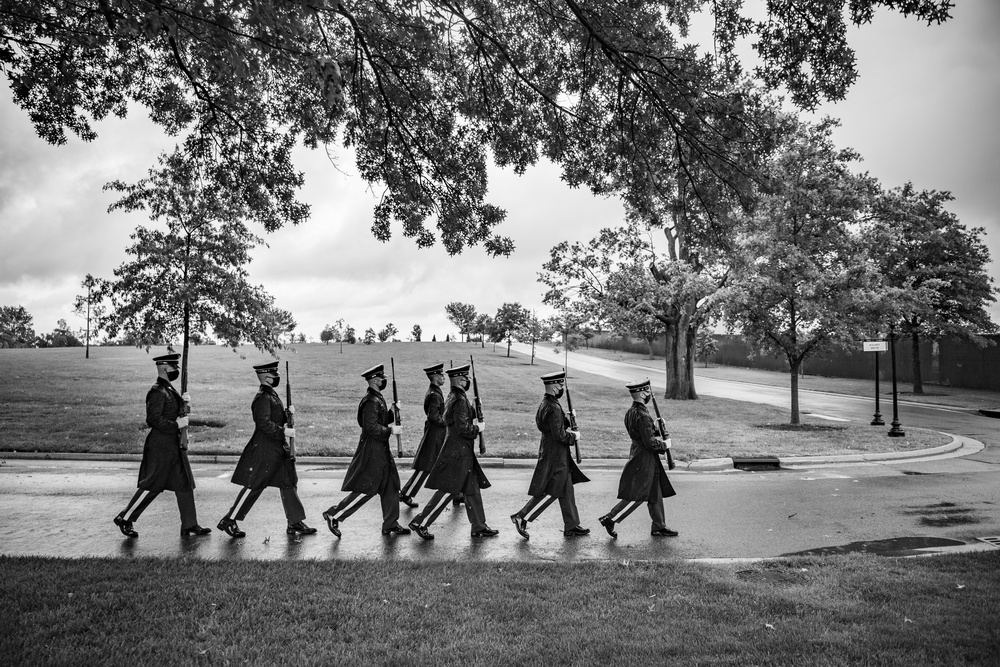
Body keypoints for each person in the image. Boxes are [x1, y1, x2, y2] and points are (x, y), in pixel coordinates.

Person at [113, 352, 210, 538]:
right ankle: (125, 517)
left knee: (184, 484)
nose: (176, 371)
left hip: (173, 445)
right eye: (174, 367)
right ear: (165, 368)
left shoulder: (168, 389)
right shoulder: (157, 391)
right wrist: (176, 425)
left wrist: (185, 405)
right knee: (152, 485)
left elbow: (173, 412)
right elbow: (153, 419)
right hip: (161, 446)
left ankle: (190, 524)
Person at [217, 362, 316, 538]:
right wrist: (283, 431)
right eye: (273, 374)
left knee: (289, 482)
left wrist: (287, 415)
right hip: (265, 448)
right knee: (254, 485)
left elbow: (275, 417)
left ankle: (294, 522)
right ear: (265, 376)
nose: (276, 376)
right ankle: (229, 520)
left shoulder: (271, 395)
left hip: (278, 448)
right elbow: (263, 423)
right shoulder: (262, 397)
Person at [407, 364, 498, 540]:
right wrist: (477, 428)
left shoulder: (453, 396)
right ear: (458, 380)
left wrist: (474, 407)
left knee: (472, 490)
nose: (468, 381)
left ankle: (479, 526)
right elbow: (463, 428)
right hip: (458, 452)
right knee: (448, 491)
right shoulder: (459, 399)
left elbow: (456, 418)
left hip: (460, 451)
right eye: (465, 379)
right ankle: (420, 522)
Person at [322, 364, 410, 538]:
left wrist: (392, 412)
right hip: (372, 449)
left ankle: (390, 523)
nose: (384, 380)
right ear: (375, 380)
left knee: (391, 485)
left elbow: (380, 419)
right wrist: (390, 431)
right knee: (367, 488)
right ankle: (335, 515)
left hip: (381, 448)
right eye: (381, 378)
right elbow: (369, 427)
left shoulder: (377, 398)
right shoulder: (370, 401)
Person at [510, 371, 590, 539]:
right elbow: (559, 435)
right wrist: (574, 436)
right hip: (556, 455)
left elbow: (551, 425)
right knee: (553, 491)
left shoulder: (546, 403)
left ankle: (572, 525)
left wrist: (568, 419)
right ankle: (521, 516)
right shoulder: (553, 407)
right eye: (560, 385)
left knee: (567, 490)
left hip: (553, 452)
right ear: (554, 387)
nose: (562, 388)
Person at [598, 378, 678, 539]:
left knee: (655, 493)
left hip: (639, 454)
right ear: (642, 393)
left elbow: (641, 434)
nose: (649, 394)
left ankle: (659, 526)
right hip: (644, 458)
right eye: (648, 392)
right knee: (639, 494)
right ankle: (610, 517)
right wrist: (665, 445)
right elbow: (649, 442)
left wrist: (654, 427)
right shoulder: (642, 415)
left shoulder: (631, 412)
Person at [399, 363, 447, 508]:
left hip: (438, 433)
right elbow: (434, 417)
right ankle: (405, 494)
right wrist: (448, 422)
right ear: (435, 377)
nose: (444, 377)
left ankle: (458, 494)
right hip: (434, 434)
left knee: (446, 464)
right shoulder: (433, 395)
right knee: (425, 467)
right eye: (441, 375)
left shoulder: (436, 392)